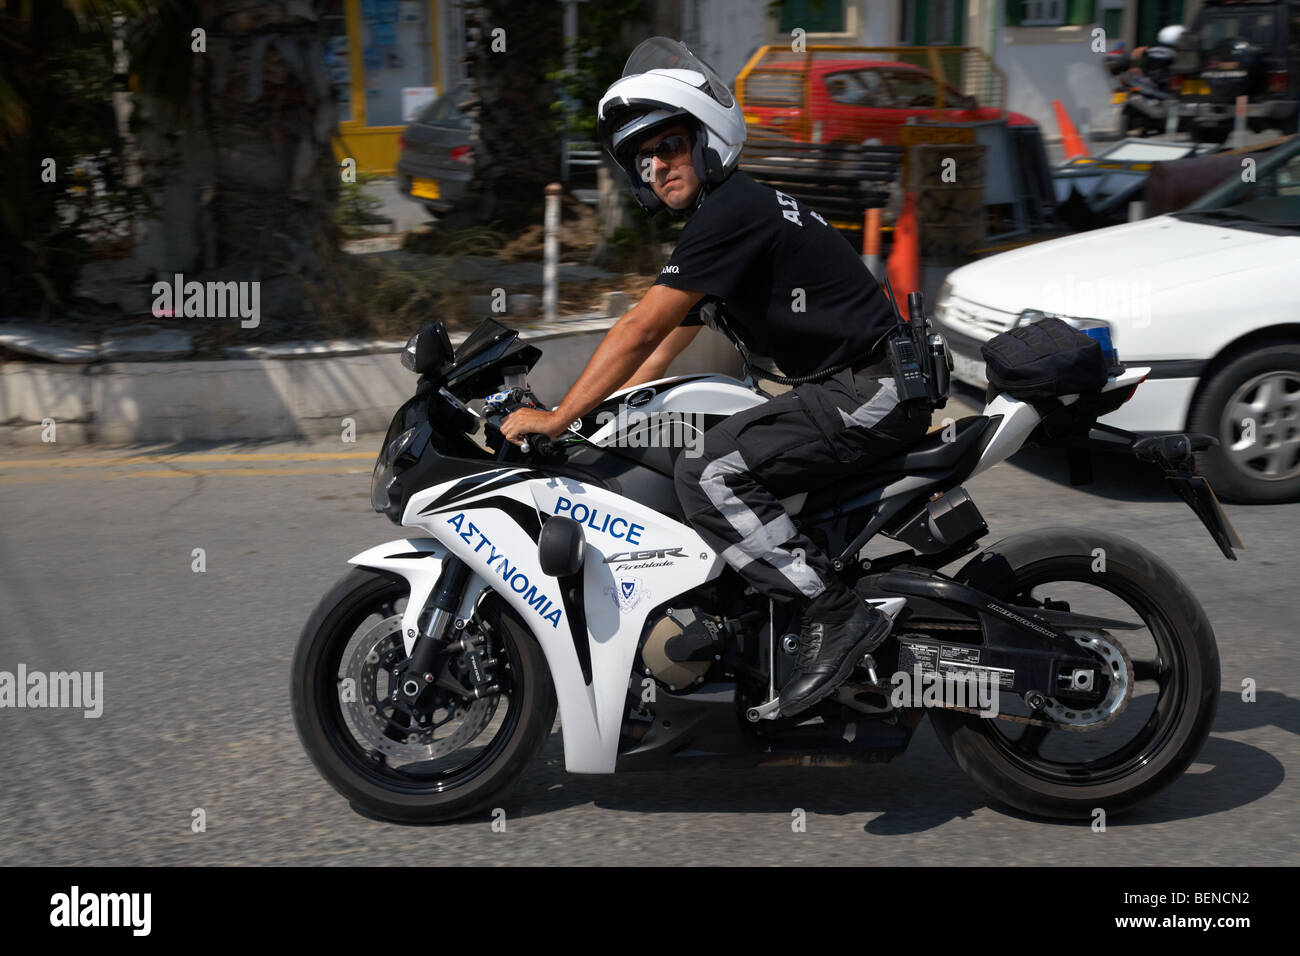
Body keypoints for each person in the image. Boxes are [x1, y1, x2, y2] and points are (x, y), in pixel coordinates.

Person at [501, 38, 931, 717]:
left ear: (706, 140)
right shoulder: (725, 221)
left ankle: (833, 611)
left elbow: (638, 327)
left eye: (669, 145)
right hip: (856, 386)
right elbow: (662, 350)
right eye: (644, 158)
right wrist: (593, 420)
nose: (657, 166)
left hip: (872, 387)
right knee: (692, 447)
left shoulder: (732, 212)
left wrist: (555, 419)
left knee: (710, 470)